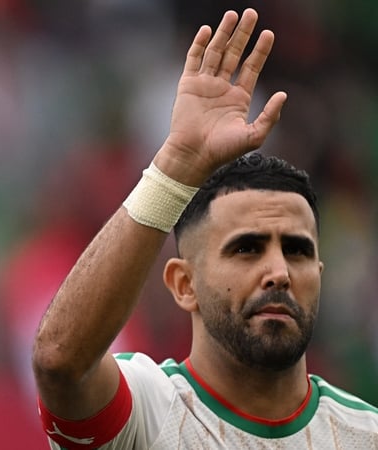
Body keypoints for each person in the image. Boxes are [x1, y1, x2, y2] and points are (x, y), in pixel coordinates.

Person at [32, 8, 378, 449]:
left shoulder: (366, 434)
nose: (279, 272)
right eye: (247, 249)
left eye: (297, 250)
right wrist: (177, 165)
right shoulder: (148, 415)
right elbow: (59, 363)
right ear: (183, 283)